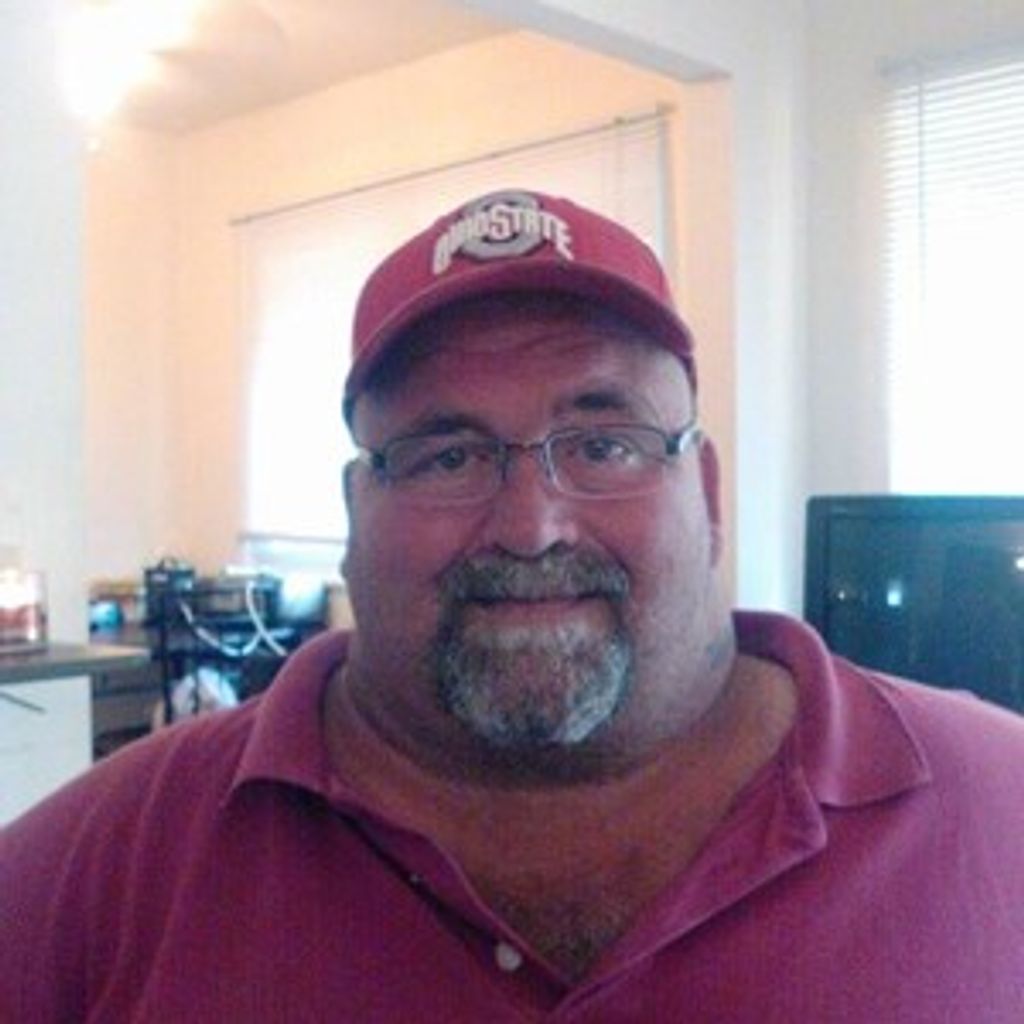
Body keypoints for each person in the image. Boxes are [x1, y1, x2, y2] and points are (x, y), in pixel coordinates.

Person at [3, 190, 1023, 1022]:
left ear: (706, 494)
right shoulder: (88, 871)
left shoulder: (1002, 806)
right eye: (447, 456)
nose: (531, 527)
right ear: (355, 512)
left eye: (605, 444)